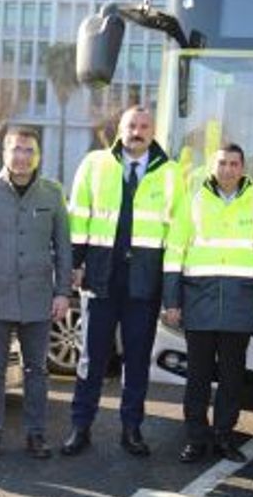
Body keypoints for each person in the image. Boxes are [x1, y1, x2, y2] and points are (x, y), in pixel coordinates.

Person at [63, 106, 184, 457]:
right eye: (132, 125)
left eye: (144, 126)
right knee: (91, 358)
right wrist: (75, 264)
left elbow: (177, 236)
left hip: (145, 282)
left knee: (137, 359)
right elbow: (78, 218)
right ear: (120, 128)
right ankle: (80, 427)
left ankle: (131, 430)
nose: (137, 131)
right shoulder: (94, 164)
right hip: (100, 277)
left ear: (153, 131)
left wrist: (171, 292)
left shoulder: (172, 173)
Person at [164, 143, 253, 463]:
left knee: (232, 378)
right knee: (198, 378)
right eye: (222, 163)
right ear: (212, 166)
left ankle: (223, 438)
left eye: (234, 164)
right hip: (199, 302)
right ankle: (195, 439)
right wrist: (172, 301)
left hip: (241, 303)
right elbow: (174, 253)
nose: (228, 169)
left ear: (242, 168)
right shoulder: (193, 202)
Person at [0, 128, 72, 460]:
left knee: (36, 370)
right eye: (16, 149)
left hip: (38, 297)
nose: (22, 157)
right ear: (5, 153)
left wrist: (62, 292)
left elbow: (63, 247)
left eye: (29, 151)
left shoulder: (52, 192)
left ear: (37, 156)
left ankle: (35, 434)